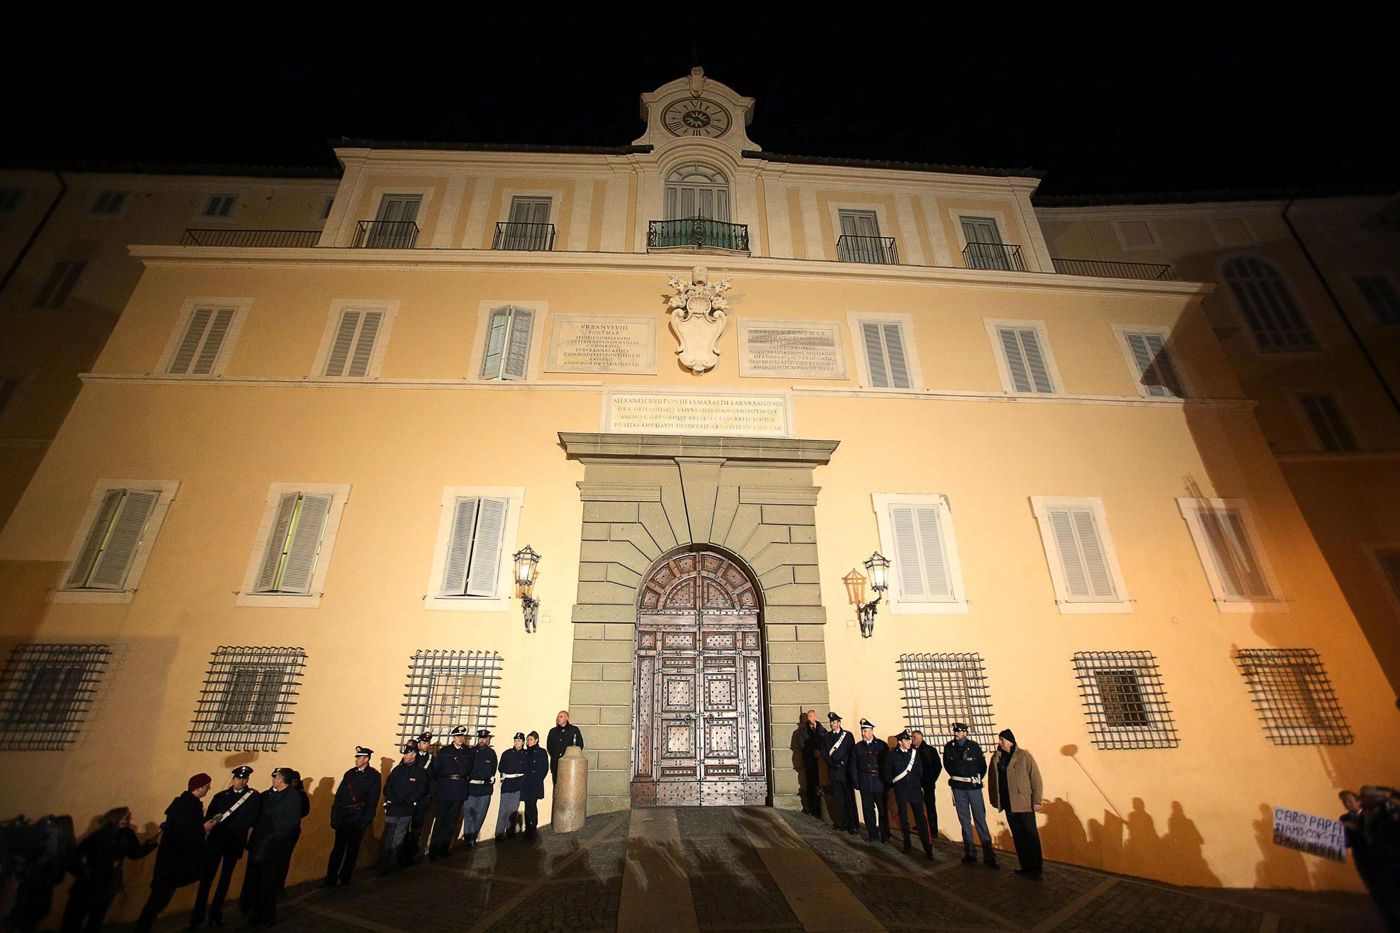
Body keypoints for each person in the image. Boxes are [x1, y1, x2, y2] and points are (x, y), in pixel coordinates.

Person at [135, 773, 214, 933]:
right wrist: (203, 828)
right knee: (158, 900)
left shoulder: (185, 803)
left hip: (171, 861)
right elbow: (183, 832)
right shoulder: (187, 805)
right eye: (207, 786)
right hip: (173, 862)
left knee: (159, 900)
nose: (209, 788)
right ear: (198, 788)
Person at [60, 807, 158, 933]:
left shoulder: (127, 835)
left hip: (109, 885)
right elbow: (75, 858)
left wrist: (148, 845)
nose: (130, 820)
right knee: (74, 920)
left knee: (96, 920)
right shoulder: (98, 836)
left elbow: (134, 853)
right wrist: (85, 872)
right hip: (88, 885)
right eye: (128, 817)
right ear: (117, 820)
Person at [190, 766, 260, 928]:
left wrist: (235, 826)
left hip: (234, 841)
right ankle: (198, 915)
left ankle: (216, 913)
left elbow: (252, 818)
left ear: (247, 780)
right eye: (238, 778)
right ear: (233, 779)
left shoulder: (252, 797)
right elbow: (209, 818)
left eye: (244, 779)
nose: (241, 781)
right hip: (216, 841)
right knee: (207, 878)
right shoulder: (220, 797)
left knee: (225, 879)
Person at [242, 767, 304, 927]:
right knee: (257, 882)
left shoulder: (292, 797)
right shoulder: (269, 795)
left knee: (267, 884)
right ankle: (256, 913)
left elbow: (290, 822)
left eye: (275, 777)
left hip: (273, 848)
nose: (273, 779)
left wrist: (272, 833)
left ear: (281, 780)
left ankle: (267, 915)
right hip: (260, 846)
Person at [987, 729, 1043, 879]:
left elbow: (1036, 779)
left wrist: (1037, 801)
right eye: (1000, 740)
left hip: (1024, 803)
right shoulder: (997, 757)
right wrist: (995, 799)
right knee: (1018, 837)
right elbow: (992, 779)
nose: (1000, 742)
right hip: (1008, 803)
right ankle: (1025, 866)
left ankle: (1036, 869)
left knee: (1031, 836)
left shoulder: (1024, 756)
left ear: (1010, 741)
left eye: (1002, 740)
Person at [323, 746, 381, 888]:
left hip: (358, 816)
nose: (356, 760)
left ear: (366, 759)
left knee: (352, 849)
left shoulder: (373, 776)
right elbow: (339, 796)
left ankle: (345, 876)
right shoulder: (349, 774)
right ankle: (330, 878)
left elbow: (373, 799)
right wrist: (334, 816)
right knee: (337, 849)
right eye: (356, 757)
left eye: (359, 757)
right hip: (344, 816)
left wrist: (367, 819)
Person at [943, 723, 997, 868]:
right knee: (964, 820)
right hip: (959, 787)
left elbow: (982, 766)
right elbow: (947, 765)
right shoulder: (949, 747)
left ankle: (989, 855)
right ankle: (970, 853)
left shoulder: (974, 747)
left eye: (959, 732)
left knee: (980, 820)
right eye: (955, 732)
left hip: (973, 787)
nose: (956, 734)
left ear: (965, 733)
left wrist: (975, 779)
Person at [884, 730, 935, 859]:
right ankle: (907, 845)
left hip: (915, 790)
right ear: (900, 742)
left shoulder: (915, 754)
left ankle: (928, 848)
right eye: (906, 740)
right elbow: (887, 773)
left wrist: (914, 783)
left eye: (910, 740)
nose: (909, 742)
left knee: (921, 819)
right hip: (901, 790)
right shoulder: (892, 755)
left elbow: (919, 772)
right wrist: (896, 784)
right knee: (903, 818)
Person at [379, 744, 429, 874]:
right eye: (405, 754)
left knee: (398, 837)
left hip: (406, 809)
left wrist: (410, 801)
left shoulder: (419, 772)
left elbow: (421, 789)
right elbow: (388, 786)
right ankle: (383, 863)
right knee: (387, 836)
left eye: (407, 754)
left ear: (414, 755)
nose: (405, 756)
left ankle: (392, 862)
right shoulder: (398, 770)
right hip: (393, 808)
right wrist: (392, 799)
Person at [429, 726, 474, 861]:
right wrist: (443, 782)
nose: (460, 738)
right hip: (445, 789)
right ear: (453, 737)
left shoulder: (468, 752)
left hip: (459, 789)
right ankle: (433, 850)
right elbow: (436, 771)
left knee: (451, 821)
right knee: (440, 820)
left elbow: (469, 770)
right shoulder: (444, 751)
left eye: (462, 736)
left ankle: (444, 848)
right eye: (458, 736)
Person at [400, 731, 436, 864]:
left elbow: (433, 777)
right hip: (409, 797)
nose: (426, 746)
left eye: (428, 743)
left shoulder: (431, 759)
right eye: (424, 743)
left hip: (423, 798)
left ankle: (410, 854)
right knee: (404, 826)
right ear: (419, 743)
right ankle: (401, 852)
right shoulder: (412, 756)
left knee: (417, 827)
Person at [853, 719, 889, 843]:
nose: (863, 733)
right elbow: (853, 765)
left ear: (871, 731)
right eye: (862, 731)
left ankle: (885, 834)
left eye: (865, 730)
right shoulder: (858, 747)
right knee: (868, 810)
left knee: (882, 810)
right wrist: (856, 781)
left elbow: (887, 765)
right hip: (865, 781)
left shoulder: (881, 745)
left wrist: (887, 781)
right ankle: (872, 833)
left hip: (879, 781)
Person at [821, 712, 858, 835]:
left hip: (845, 772)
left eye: (834, 722)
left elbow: (851, 751)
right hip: (834, 772)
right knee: (839, 799)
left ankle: (853, 824)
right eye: (831, 722)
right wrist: (831, 763)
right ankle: (844, 823)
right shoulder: (827, 737)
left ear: (839, 723)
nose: (832, 724)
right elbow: (825, 752)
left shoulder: (847, 736)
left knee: (849, 798)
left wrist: (842, 762)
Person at [462, 729, 498, 845]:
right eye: (480, 738)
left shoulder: (491, 753)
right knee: (469, 815)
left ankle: (473, 836)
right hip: (471, 788)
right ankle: (468, 839)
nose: (482, 741)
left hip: (484, 789)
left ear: (487, 739)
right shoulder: (471, 752)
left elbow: (493, 769)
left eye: (484, 738)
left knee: (480, 815)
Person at [496, 733, 528, 839]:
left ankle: (510, 831)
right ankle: (499, 833)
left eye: (519, 741)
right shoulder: (507, 753)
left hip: (519, 783)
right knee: (503, 809)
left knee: (514, 809)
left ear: (523, 742)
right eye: (515, 740)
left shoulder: (525, 754)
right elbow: (501, 767)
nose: (517, 743)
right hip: (508, 783)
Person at [910, 730, 941, 841]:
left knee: (930, 806)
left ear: (919, 738)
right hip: (916, 784)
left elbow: (938, 766)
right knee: (918, 806)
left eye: (913, 737)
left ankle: (933, 829)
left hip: (927, 783)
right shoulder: (911, 751)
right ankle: (921, 825)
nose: (912, 739)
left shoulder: (930, 750)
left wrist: (931, 779)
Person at [797, 710, 826, 818]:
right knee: (811, 785)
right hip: (810, 762)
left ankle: (822, 809)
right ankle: (812, 808)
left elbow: (826, 744)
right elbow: (802, 746)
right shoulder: (803, 731)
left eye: (811, 716)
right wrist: (813, 752)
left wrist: (821, 753)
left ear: (815, 716)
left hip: (821, 763)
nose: (809, 718)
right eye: (808, 716)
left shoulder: (822, 730)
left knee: (821, 785)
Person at [522, 731, 550, 839]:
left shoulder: (541, 752)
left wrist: (538, 778)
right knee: (526, 805)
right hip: (526, 782)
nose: (528, 742)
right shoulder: (524, 752)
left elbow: (544, 767)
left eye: (531, 740)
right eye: (528, 740)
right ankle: (527, 827)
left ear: (536, 740)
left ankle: (533, 827)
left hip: (535, 782)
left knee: (532, 805)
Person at [546, 711, 584, 785]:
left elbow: (579, 745)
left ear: (566, 718)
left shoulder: (574, 730)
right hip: (556, 764)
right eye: (558, 716)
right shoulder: (553, 732)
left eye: (561, 716)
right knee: (557, 787)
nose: (558, 718)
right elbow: (550, 747)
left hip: (569, 765)